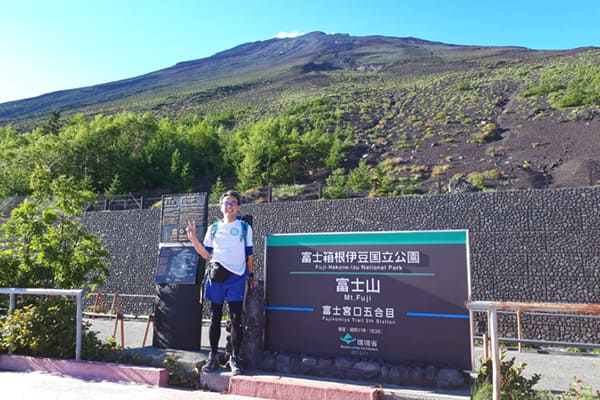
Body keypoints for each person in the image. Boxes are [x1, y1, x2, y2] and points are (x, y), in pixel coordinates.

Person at [186, 190, 258, 375]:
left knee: (236, 319)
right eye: (226, 203)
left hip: (236, 278)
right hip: (216, 278)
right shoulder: (214, 228)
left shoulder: (244, 228)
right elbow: (206, 254)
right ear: (221, 206)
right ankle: (213, 357)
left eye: (233, 202)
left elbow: (249, 256)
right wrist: (193, 239)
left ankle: (234, 358)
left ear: (239, 206)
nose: (229, 206)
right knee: (214, 318)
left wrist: (251, 275)